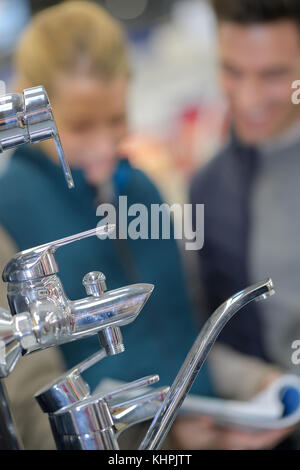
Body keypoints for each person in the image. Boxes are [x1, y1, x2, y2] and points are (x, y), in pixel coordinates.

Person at [0, 0, 290, 450]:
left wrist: (255, 383)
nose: (104, 147)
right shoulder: (8, 214)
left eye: (117, 120)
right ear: (34, 119)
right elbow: (32, 407)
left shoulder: (141, 187)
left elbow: (182, 329)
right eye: (79, 127)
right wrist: (161, 436)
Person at [190, 0, 300, 448]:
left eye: (274, 75)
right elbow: (200, 327)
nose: (249, 98)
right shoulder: (208, 187)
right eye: (232, 71)